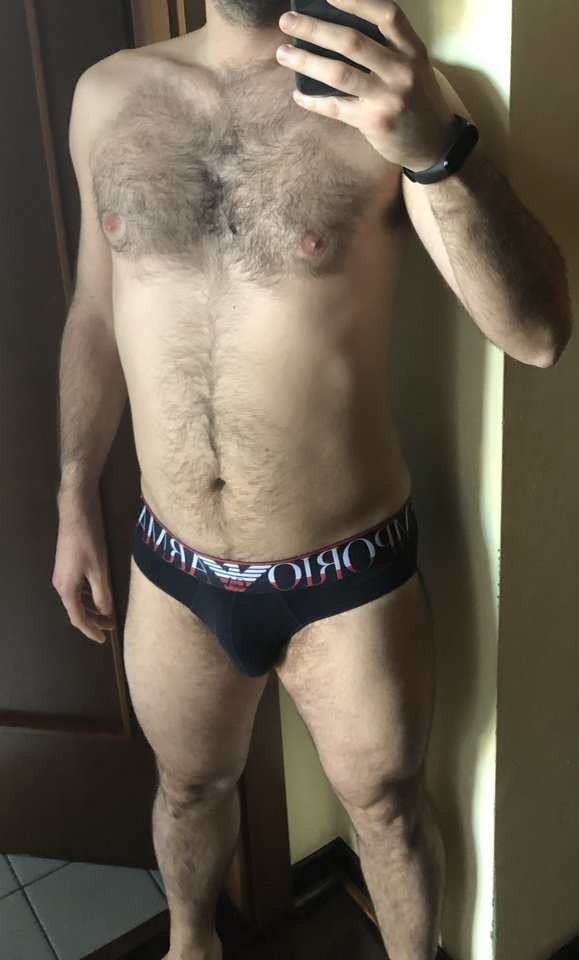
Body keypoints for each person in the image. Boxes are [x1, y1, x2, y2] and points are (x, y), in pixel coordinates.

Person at [51, 1, 572, 958]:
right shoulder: (106, 96)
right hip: (172, 567)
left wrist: (434, 149)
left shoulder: (387, 99)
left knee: (386, 811)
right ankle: (190, 945)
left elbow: (537, 334)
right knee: (187, 789)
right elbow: (93, 309)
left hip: (346, 577)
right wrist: (74, 490)